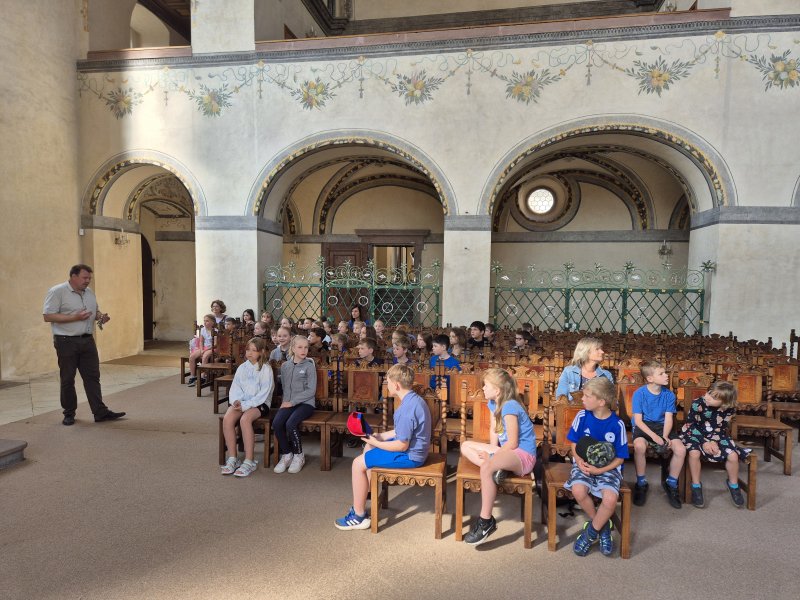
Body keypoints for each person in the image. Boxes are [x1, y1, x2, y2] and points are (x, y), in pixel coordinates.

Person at [335, 364, 431, 530]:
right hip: (415, 450)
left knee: (357, 464)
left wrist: (376, 442)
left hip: (411, 456)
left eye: (387, 381)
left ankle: (358, 516)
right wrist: (381, 436)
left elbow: (401, 445)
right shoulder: (414, 400)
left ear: (396, 385)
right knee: (368, 449)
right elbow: (402, 431)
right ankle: (366, 492)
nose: (385, 385)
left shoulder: (406, 409)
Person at [460, 368, 537, 545]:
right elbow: (495, 430)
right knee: (465, 446)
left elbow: (513, 443)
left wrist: (492, 456)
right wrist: (492, 450)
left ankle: (486, 521)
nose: (483, 388)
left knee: (487, 465)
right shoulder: (493, 403)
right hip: (507, 451)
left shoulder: (510, 406)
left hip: (523, 455)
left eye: (486, 385)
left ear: (497, 390)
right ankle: (497, 469)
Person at [43, 264, 125, 425]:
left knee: (93, 377)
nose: (87, 281)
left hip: (87, 341)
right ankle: (69, 413)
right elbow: (48, 316)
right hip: (66, 341)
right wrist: (75, 318)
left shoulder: (89, 292)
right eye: (84, 278)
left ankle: (100, 412)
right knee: (68, 379)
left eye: (89, 278)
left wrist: (101, 317)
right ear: (73, 276)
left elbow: (95, 311)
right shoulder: (57, 291)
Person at [565, 377, 629, 557]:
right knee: (578, 490)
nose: (582, 399)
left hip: (608, 469)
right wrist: (578, 460)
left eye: (587, 396)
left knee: (610, 499)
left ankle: (590, 533)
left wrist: (599, 470)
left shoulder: (617, 424)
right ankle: (603, 526)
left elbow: (620, 458)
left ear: (601, 402)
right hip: (583, 464)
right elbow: (574, 443)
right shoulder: (582, 416)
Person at [670, 381, 750, 509]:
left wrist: (713, 441)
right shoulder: (697, 403)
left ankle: (734, 485)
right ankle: (696, 486)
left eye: (713, 397)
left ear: (724, 402)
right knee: (694, 453)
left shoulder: (729, 409)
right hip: (693, 433)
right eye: (708, 393)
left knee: (733, 456)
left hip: (717, 435)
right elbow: (690, 425)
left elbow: (721, 427)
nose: (707, 397)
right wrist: (704, 442)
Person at [220, 337, 274, 477]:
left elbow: (263, 394)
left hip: (260, 404)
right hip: (242, 402)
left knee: (245, 420)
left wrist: (246, 405)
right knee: (227, 419)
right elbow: (235, 387)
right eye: (248, 349)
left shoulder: (266, 369)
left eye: (254, 350)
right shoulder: (242, 367)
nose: (249, 353)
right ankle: (233, 458)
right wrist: (236, 401)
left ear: (261, 352)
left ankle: (249, 461)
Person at [630, 360, 676, 506]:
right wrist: (655, 437)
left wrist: (665, 436)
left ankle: (671, 483)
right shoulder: (639, 394)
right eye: (661, 374)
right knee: (639, 447)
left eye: (665, 372)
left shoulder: (669, 394)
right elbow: (638, 421)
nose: (666, 375)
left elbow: (668, 418)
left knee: (680, 449)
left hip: (662, 426)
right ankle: (641, 483)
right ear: (650, 378)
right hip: (644, 426)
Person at [273, 336, 317, 474]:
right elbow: (285, 387)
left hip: (306, 404)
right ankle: (287, 454)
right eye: (300, 347)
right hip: (289, 403)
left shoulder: (309, 366)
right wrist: (286, 402)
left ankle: (299, 455)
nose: (304, 350)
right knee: (277, 423)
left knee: (290, 424)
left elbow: (311, 390)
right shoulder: (285, 366)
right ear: (293, 348)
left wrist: (292, 402)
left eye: (306, 347)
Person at [555, 337, 614, 403]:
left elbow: (611, 401)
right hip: (573, 409)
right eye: (597, 349)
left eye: (601, 349)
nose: (602, 352)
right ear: (586, 352)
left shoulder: (607, 375)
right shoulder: (569, 372)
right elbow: (561, 398)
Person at [187, 314, 216, 387]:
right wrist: (202, 349)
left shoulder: (216, 331)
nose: (205, 322)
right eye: (204, 321)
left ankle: (203, 376)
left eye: (207, 321)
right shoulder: (203, 330)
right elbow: (201, 341)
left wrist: (206, 350)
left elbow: (215, 344)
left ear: (212, 322)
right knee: (192, 357)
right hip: (204, 347)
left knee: (205, 356)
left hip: (212, 348)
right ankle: (192, 376)